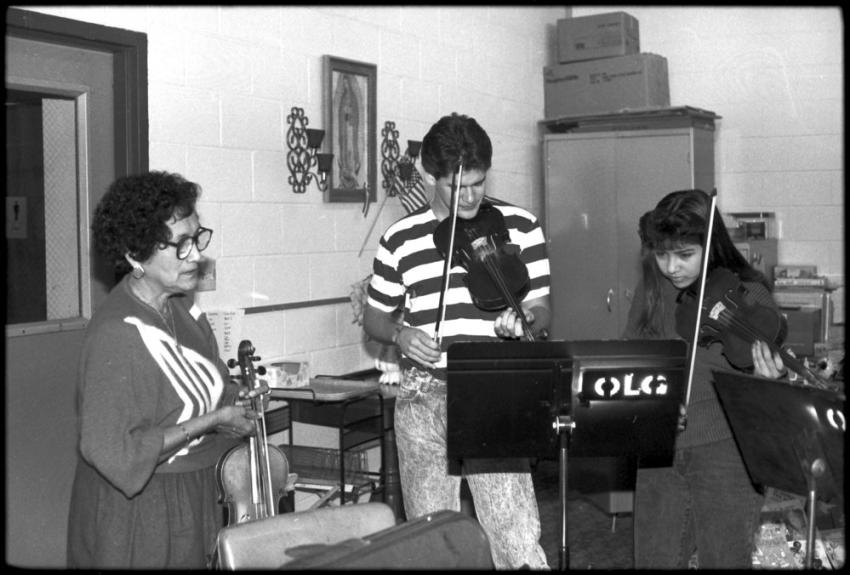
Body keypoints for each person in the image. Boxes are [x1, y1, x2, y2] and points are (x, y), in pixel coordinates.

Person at [363, 113, 552, 569]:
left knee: (515, 537)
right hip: (423, 393)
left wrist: (524, 317)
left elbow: (543, 310)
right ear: (430, 176)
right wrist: (401, 335)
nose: (470, 197)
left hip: (494, 388)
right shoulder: (400, 239)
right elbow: (374, 318)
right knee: (431, 540)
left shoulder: (520, 225)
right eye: (456, 187)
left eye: (478, 184)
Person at [67, 171, 266, 568]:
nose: (195, 255)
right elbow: (115, 452)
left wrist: (236, 403)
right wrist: (213, 420)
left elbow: (212, 387)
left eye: (198, 238)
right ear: (135, 254)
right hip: (139, 517)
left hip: (195, 499)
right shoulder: (117, 333)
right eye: (181, 245)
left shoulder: (183, 310)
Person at [623, 189, 787, 569]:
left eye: (684, 255)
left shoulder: (748, 294)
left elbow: (768, 403)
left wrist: (770, 379)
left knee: (724, 559)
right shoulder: (654, 291)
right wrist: (653, 398)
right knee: (653, 560)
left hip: (727, 450)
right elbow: (633, 356)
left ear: (711, 247)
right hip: (659, 447)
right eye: (661, 254)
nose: (671, 267)